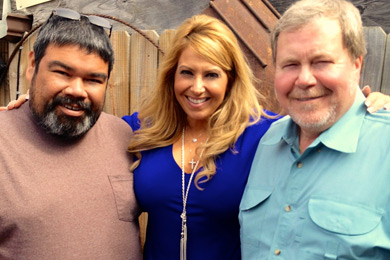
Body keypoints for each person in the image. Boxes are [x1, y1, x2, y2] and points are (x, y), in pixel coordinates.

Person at [239, 0, 390, 259]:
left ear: (357, 65)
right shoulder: (266, 141)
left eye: (321, 62)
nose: (305, 79)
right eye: (291, 65)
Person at [0, 8, 141, 260]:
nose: (77, 90)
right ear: (32, 65)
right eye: (63, 73)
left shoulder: (124, 136)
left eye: (93, 80)